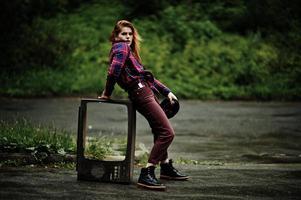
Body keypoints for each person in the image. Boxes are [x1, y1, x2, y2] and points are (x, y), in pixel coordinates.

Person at [99, 20, 188, 190]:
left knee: (158, 129)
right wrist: (107, 93)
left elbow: (147, 78)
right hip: (141, 94)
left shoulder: (129, 52)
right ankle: (147, 172)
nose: (127, 37)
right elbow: (113, 72)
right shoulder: (121, 48)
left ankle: (166, 166)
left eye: (130, 34)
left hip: (145, 91)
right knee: (167, 133)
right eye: (123, 34)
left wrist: (167, 92)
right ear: (116, 36)